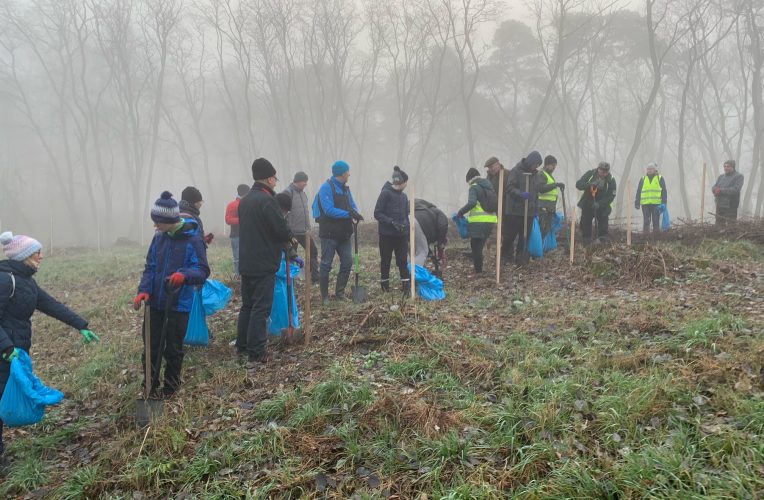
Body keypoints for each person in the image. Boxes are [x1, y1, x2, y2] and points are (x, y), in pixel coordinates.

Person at [0, 231, 99, 457]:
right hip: (6, 351)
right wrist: (5, 347)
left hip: (15, 353)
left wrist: (81, 325)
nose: (41, 257)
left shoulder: (27, 282)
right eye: (37, 253)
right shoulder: (6, 280)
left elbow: (52, 305)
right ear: (24, 256)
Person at [133, 192, 209, 398]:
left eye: (158, 222)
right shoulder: (159, 238)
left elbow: (202, 270)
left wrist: (183, 276)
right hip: (155, 303)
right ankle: (149, 386)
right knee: (150, 347)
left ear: (169, 221)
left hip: (178, 304)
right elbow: (150, 267)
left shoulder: (193, 240)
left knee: (173, 349)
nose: (155, 226)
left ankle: (170, 389)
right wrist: (144, 291)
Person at [236, 158, 293, 370]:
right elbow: (279, 228)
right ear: (269, 178)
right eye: (275, 178)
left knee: (248, 306)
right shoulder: (267, 200)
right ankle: (257, 352)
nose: (276, 182)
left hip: (247, 261)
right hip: (263, 262)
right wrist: (290, 237)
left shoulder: (245, 200)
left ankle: (242, 346)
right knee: (261, 307)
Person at [312, 160, 363, 305]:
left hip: (344, 234)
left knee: (347, 262)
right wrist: (348, 214)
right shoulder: (326, 188)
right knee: (326, 264)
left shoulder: (346, 188)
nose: (349, 173)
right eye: (348, 171)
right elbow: (328, 210)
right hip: (329, 234)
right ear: (341, 173)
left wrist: (355, 213)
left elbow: (352, 205)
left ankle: (340, 293)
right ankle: (325, 297)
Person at [374, 166, 411, 292]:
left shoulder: (404, 197)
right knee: (386, 260)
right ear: (401, 182)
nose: (406, 185)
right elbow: (377, 213)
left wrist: (406, 228)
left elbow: (406, 215)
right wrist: (391, 222)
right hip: (387, 235)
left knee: (402, 260)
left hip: (402, 235)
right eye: (406, 182)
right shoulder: (385, 193)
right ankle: (385, 287)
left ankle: (406, 287)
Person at [505, 151, 544, 264]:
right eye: (535, 163)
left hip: (529, 212)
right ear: (530, 161)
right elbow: (509, 187)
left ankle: (520, 257)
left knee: (524, 236)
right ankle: (505, 256)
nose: (536, 166)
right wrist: (520, 194)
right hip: (515, 211)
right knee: (510, 236)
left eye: (538, 164)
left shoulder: (535, 175)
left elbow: (536, 193)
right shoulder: (516, 171)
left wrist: (536, 209)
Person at [456, 168, 497, 273]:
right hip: (491, 221)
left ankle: (478, 270)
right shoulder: (488, 186)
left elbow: (472, 203)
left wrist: (460, 212)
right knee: (480, 245)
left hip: (479, 222)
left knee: (475, 246)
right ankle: (479, 267)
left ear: (470, 180)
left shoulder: (474, 187)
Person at [282, 172, 319, 282]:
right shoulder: (287, 193)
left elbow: (305, 212)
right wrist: (288, 231)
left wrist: (308, 227)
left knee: (313, 250)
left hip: (304, 232)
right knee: (291, 256)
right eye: (304, 181)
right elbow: (283, 214)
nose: (306, 184)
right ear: (297, 181)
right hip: (292, 233)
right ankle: (291, 280)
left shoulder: (303, 194)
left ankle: (315, 277)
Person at [576, 161, 617, 244]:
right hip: (588, 202)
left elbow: (611, 196)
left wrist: (600, 204)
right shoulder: (590, 174)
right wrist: (590, 184)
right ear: (598, 169)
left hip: (602, 205)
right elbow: (579, 185)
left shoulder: (611, 180)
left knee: (603, 225)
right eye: (601, 171)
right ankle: (586, 241)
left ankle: (602, 241)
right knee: (585, 223)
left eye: (606, 172)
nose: (603, 174)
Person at [485, 157, 511, 263]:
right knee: (497, 232)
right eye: (489, 168)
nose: (491, 169)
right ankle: (500, 253)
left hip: (507, 207)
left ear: (498, 164)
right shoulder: (489, 178)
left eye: (492, 167)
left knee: (507, 232)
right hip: (495, 208)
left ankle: (507, 254)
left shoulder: (507, 174)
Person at [414, 199, 449, 275]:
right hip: (416, 223)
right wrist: (440, 243)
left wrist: (431, 254)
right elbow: (443, 226)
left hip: (403, 222)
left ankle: (406, 277)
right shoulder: (437, 212)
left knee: (411, 252)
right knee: (422, 252)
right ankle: (415, 276)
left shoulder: (421, 210)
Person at [225, 184, 251, 277]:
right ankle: (238, 276)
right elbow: (228, 220)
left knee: (249, 257)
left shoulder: (249, 203)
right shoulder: (232, 205)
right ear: (245, 193)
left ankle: (247, 275)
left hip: (248, 235)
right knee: (237, 258)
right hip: (236, 236)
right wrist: (244, 219)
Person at [634, 162, 667, 233]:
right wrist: (637, 202)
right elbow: (639, 191)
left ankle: (656, 237)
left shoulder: (660, 178)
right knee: (646, 221)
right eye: (648, 169)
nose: (649, 170)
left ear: (655, 169)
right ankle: (645, 237)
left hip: (656, 204)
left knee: (656, 221)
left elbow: (664, 191)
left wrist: (664, 202)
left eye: (651, 169)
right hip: (645, 204)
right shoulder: (643, 179)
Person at [538, 155, 565, 237]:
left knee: (546, 229)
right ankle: (539, 248)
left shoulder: (549, 175)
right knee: (542, 229)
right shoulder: (541, 174)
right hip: (543, 208)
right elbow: (541, 188)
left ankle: (544, 247)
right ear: (547, 164)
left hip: (549, 208)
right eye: (552, 165)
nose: (554, 168)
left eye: (555, 166)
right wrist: (555, 184)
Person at [712, 160, 745, 226]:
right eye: (724, 166)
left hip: (731, 204)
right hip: (719, 203)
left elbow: (736, 189)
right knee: (719, 224)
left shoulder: (739, 176)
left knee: (731, 224)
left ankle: (732, 236)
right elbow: (714, 186)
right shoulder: (721, 177)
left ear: (733, 167)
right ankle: (718, 236)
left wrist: (720, 190)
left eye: (728, 166)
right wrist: (715, 189)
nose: (726, 168)